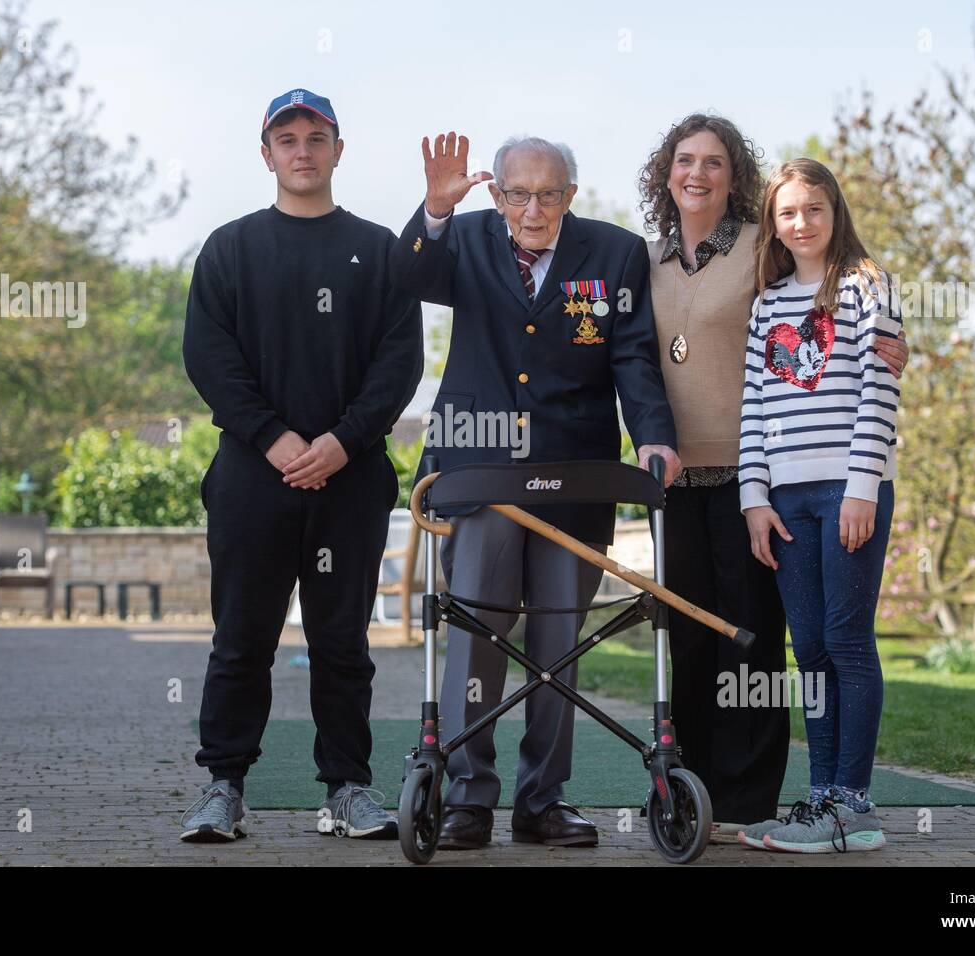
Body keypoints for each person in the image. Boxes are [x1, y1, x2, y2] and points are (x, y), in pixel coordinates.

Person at [389, 132, 679, 850]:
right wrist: (433, 206)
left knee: (557, 643)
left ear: (571, 196)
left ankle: (542, 800)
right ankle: (466, 798)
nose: (533, 208)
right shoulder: (465, 236)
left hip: (575, 473)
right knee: (478, 634)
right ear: (495, 193)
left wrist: (652, 435)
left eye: (549, 194)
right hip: (480, 470)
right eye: (517, 193)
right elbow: (407, 278)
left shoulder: (615, 253)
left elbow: (633, 352)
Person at [639, 114, 909, 835]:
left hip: (800, 483)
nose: (697, 173)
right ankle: (735, 789)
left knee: (795, 639)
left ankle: (814, 799)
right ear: (667, 172)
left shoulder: (814, 267)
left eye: (714, 163)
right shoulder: (662, 261)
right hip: (725, 482)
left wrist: (861, 480)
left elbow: (875, 380)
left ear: (736, 178)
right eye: (685, 160)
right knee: (736, 639)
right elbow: (746, 391)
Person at [179, 89, 423, 843]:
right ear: (267, 154)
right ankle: (224, 787)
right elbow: (209, 357)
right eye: (287, 138)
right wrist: (273, 438)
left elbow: (399, 360)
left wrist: (345, 441)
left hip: (349, 479)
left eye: (317, 137)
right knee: (242, 638)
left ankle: (348, 788)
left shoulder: (379, 248)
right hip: (254, 477)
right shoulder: (230, 248)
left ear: (338, 151)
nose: (302, 150)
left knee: (342, 642)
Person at [736, 157, 902, 853]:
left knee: (845, 639)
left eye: (813, 209)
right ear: (773, 224)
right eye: (787, 213)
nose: (800, 223)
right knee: (808, 649)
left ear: (835, 212)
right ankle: (821, 800)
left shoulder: (870, 288)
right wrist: (753, 498)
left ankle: (854, 805)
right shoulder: (768, 303)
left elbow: (879, 392)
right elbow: (753, 407)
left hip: (848, 490)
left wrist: (861, 487)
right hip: (786, 500)